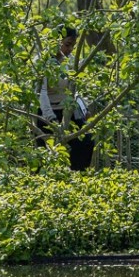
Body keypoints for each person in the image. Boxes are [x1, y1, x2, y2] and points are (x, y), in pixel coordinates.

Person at [36, 27, 95, 171]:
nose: (70, 49)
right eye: (67, 44)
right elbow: (41, 92)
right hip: (47, 114)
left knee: (86, 141)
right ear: (56, 41)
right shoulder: (42, 61)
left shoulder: (69, 62)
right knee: (46, 156)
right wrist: (51, 118)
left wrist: (84, 108)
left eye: (73, 46)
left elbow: (75, 89)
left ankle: (77, 179)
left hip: (68, 111)